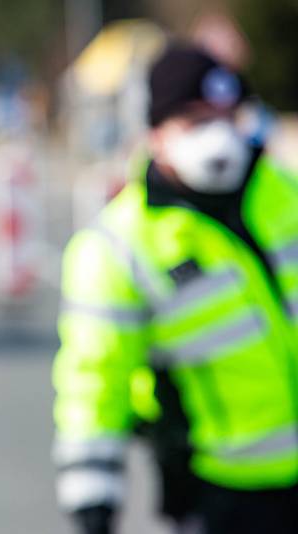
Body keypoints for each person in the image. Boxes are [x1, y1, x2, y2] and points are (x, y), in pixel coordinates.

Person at [53, 44, 298, 534]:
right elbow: (96, 376)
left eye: (228, 116)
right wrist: (92, 494)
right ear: (155, 135)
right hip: (218, 494)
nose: (218, 135)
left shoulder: (280, 190)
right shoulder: (117, 245)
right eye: (194, 120)